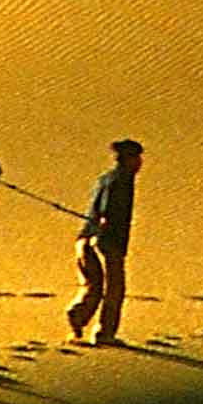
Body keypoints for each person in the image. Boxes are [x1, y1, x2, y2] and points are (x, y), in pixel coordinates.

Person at [65, 137, 143, 345]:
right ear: (129, 159)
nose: (140, 163)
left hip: (85, 238)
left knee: (93, 284)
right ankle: (104, 333)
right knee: (114, 288)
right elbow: (107, 212)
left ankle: (79, 314)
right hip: (106, 241)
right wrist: (106, 236)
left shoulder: (105, 178)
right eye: (137, 158)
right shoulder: (122, 180)